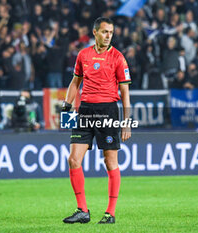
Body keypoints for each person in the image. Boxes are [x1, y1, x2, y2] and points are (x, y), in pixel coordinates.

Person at [61, 17, 132, 224]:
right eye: (104, 32)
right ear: (95, 32)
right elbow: (75, 82)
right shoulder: (83, 55)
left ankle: (110, 213)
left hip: (108, 111)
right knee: (73, 159)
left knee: (110, 161)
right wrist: (66, 107)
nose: (108, 35)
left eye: (111, 32)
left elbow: (125, 92)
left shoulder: (118, 58)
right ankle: (82, 210)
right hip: (85, 111)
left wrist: (126, 121)